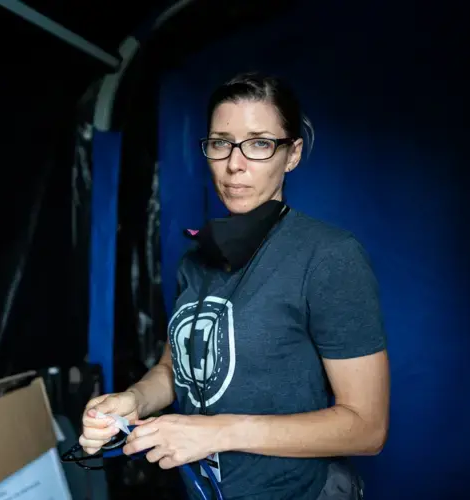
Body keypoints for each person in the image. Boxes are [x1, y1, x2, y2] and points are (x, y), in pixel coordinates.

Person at [79, 72, 390, 500]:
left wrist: (215, 433)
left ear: (292, 153)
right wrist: (134, 400)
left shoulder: (328, 256)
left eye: (260, 143)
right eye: (220, 142)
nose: (234, 163)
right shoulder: (196, 259)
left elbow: (367, 428)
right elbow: (174, 370)